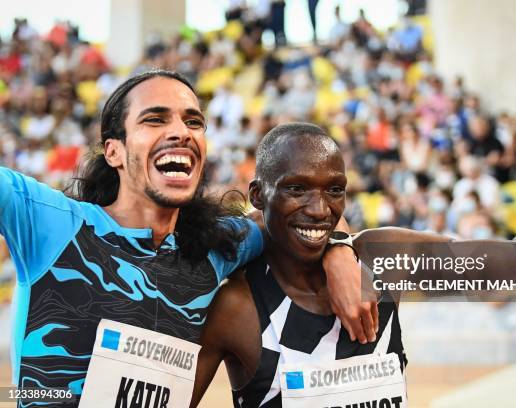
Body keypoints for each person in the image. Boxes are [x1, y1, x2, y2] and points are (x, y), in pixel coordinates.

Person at [190, 63, 516, 407]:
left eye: (334, 189)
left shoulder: (386, 261)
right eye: (297, 188)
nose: (320, 209)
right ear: (259, 195)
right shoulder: (236, 308)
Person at [0, 70, 373, 405]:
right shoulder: (48, 221)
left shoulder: (216, 246)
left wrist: (339, 250)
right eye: (155, 119)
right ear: (114, 150)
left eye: (193, 121)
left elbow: (299, 216)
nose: (181, 131)